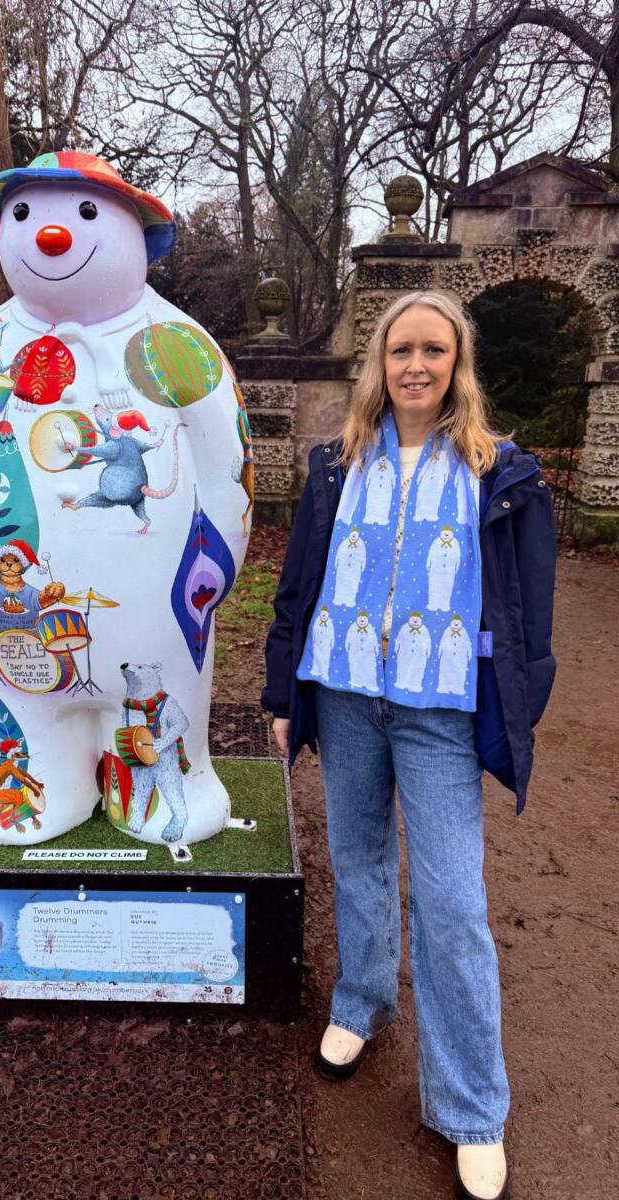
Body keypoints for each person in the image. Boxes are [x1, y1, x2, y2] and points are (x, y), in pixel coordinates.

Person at [261, 291, 557, 1200]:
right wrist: (283, 689)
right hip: (346, 695)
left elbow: (530, 612)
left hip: (438, 713)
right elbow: (298, 581)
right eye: (400, 351)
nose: (416, 366)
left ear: (458, 363)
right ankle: (361, 1002)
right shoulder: (337, 464)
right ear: (378, 364)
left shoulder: (501, 471)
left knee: (453, 901)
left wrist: (518, 700)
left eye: (434, 350)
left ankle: (471, 1107)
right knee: (356, 860)